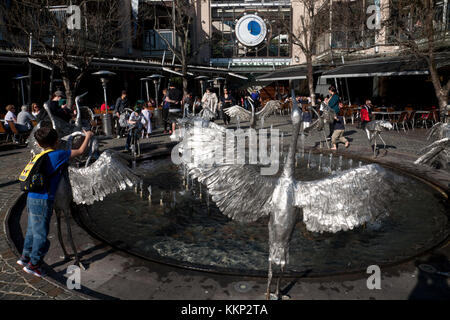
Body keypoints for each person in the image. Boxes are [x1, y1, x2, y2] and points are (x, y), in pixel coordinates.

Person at [17, 127, 94, 277]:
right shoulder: (58, 154)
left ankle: (25, 258)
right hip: (43, 200)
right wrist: (88, 136)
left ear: (39, 145)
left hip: (31, 196)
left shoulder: (38, 155)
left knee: (32, 230)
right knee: (41, 234)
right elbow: (80, 152)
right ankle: (34, 264)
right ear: (57, 141)